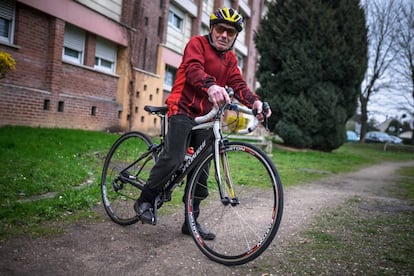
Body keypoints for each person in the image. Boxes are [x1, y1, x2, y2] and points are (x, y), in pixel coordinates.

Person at [134, 7, 272, 240]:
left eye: (230, 32)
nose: (224, 35)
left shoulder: (230, 59)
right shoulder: (197, 44)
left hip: (206, 116)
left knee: (201, 169)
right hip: (182, 109)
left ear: (235, 36)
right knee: (175, 156)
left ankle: (191, 221)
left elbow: (239, 85)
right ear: (212, 29)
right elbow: (193, 69)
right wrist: (211, 86)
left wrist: (256, 103)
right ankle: (145, 200)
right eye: (220, 29)